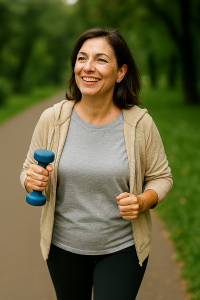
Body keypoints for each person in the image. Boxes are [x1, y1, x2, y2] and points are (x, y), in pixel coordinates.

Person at [20, 27, 173, 300]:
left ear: (121, 72)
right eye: (82, 58)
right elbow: (28, 170)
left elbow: (162, 178)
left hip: (122, 248)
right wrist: (30, 180)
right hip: (63, 248)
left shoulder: (139, 124)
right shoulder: (52, 119)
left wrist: (142, 201)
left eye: (101, 59)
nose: (88, 67)